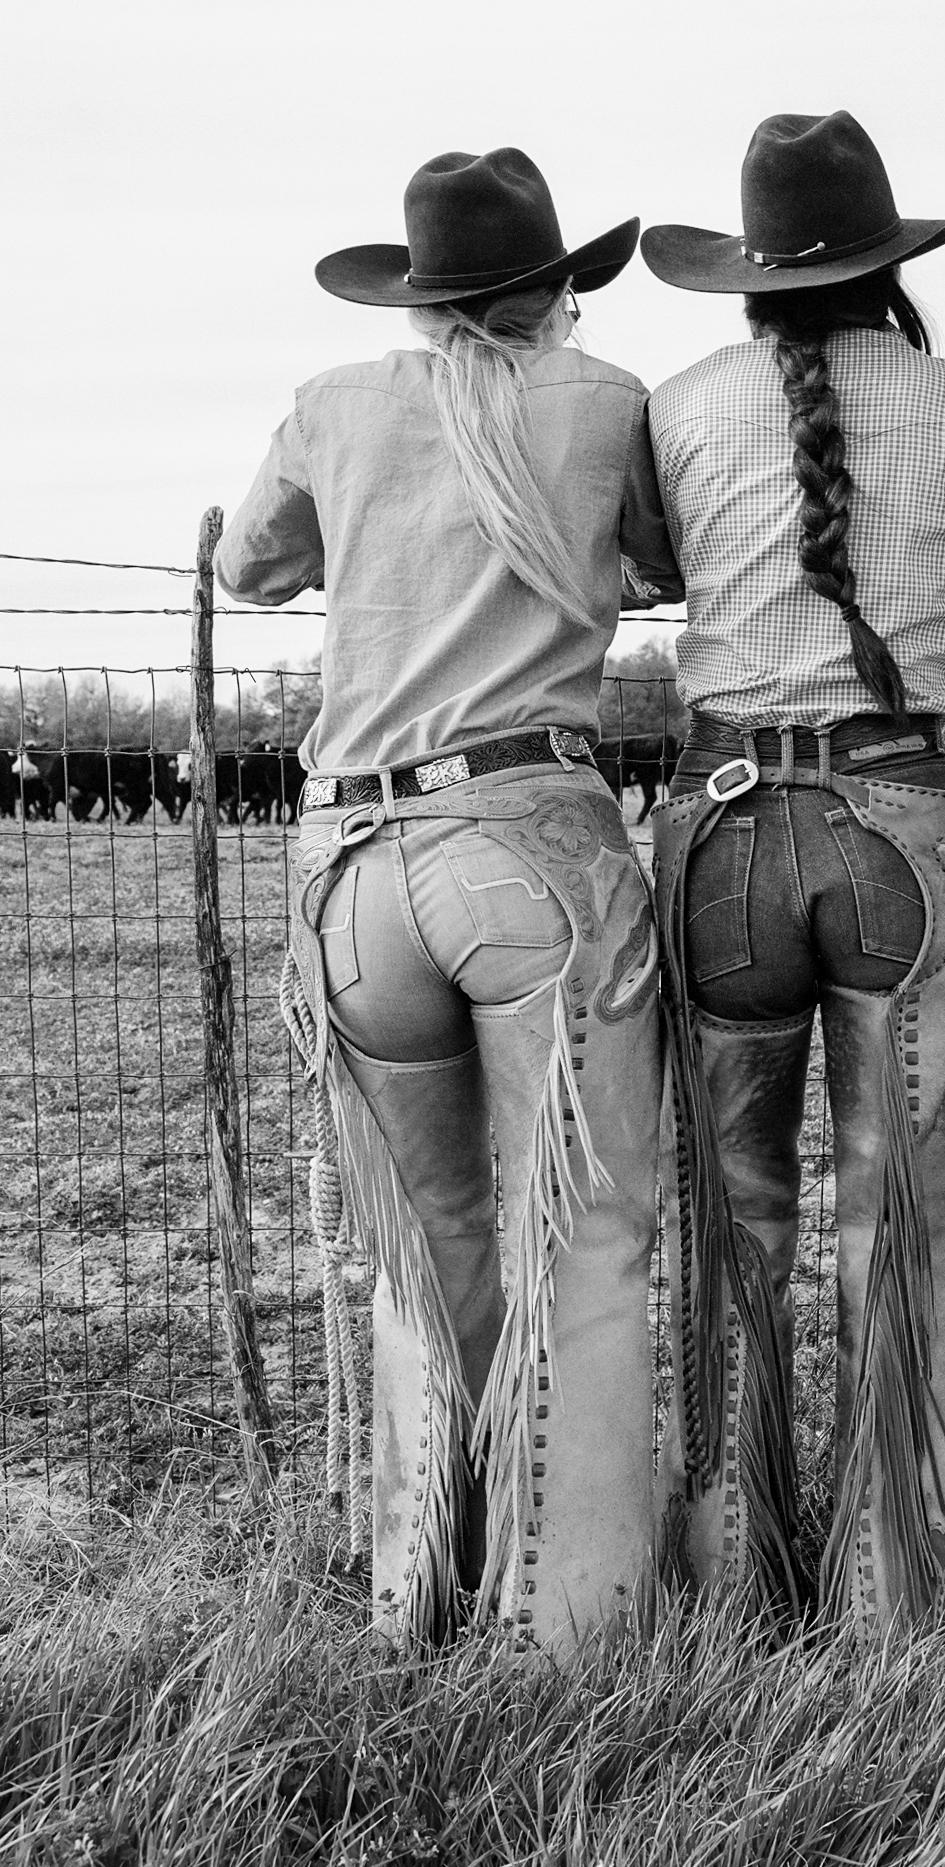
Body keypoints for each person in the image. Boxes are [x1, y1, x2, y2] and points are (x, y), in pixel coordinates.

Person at [219, 148, 683, 1651]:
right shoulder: (608, 404)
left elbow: (248, 567)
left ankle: (415, 1597)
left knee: (422, 1251)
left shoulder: (333, 405)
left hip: (354, 872)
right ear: (557, 290)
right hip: (530, 852)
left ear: (421, 299)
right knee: (592, 1237)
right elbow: (676, 564)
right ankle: (573, 1629)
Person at [639, 111, 945, 1631]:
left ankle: (735, 1567)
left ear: (750, 273)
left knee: (732, 1219)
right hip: (900, 823)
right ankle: (904, 1583)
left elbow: (656, 566)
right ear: (892, 264)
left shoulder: (674, 406)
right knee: (910, 1221)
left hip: (724, 825)